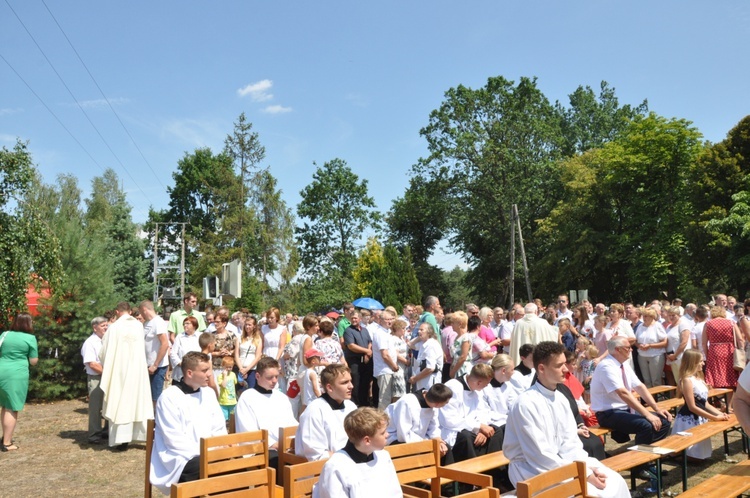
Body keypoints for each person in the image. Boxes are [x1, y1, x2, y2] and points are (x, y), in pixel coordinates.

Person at [503, 341, 629, 497]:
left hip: (561, 463)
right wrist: (585, 475)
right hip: (531, 470)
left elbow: (570, 443)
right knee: (588, 493)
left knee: (615, 481)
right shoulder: (526, 404)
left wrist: (588, 467)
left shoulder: (561, 398)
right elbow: (539, 455)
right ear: (541, 368)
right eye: (559, 365)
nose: (566, 369)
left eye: (565, 363)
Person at [150, 352, 226, 494]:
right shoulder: (169, 397)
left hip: (210, 453)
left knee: (236, 466)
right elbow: (173, 438)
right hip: (179, 458)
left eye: (209, 369)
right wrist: (205, 453)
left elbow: (219, 427)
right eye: (204, 370)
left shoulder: (209, 394)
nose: (210, 374)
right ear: (190, 373)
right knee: (202, 467)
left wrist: (218, 448)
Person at [590, 336, 672, 445]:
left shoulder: (623, 364)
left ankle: (651, 452)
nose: (631, 350)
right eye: (628, 348)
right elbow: (623, 393)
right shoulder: (606, 366)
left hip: (624, 409)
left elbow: (639, 386)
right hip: (608, 413)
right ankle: (641, 458)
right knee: (645, 425)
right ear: (618, 349)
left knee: (664, 420)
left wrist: (657, 409)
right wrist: (647, 414)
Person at [99, 301, 154, 451]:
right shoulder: (138, 326)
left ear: (117, 312)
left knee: (120, 401)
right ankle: (141, 436)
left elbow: (104, 351)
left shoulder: (114, 327)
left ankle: (122, 440)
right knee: (137, 402)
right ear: (130, 311)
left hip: (120, 371)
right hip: (137, 371)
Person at [313, 407, 401, 498]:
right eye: (383, 433)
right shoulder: (336, 467)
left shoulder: (383, 456)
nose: (388, 435)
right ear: (367, 440)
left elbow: (395, 493)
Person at [234, 357, 298, 470]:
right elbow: (249, 431)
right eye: (269, 377)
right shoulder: (247, 397)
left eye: (276, 377)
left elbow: (291, 423)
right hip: (264, 449)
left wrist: (293, 441)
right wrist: (274, 444)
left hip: (286, 446)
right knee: (279, 462)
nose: (274, 381)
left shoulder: (281, 397)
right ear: (257, 376)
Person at [439, 363, 504, 463]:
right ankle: (473, 473)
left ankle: (495, 470)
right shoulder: (452, 387)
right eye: (486, 384)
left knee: (496, 431)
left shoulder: (478, 389)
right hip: (455, 430)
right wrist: (478, 426)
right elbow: (449, 419)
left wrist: (482, 430)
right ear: (478, 382)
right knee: (466, 437)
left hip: (474, 428)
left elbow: (483, 411)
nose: (486, 387)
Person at [671, 350, 730, 460]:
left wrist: (721, 414)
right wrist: (714, 417)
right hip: (689, 420)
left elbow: (705, 403)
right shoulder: (687, 380)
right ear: (693, 362)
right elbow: (692, 407)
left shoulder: (699, 379)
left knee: (701, 457)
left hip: (700, 417)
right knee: (693, 457)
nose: (703, 363)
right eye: (700, 361)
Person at [296, 364, 357, 461]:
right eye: (345, 382)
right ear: (330, 387)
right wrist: (350, 458)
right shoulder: (314, 410)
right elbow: (316, 454)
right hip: (323, 469)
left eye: (350, 381)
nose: (351, 386)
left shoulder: (351, 406)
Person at [0, 313, 39, 452]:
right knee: (12, 407)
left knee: (4, 405)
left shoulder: (5, 334)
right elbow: (34, 362)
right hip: (16, 374)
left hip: (1, 369)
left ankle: (4, 436)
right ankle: (7, 442)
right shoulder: (30, 338)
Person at [385, 383, 452, 448]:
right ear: (437, 404)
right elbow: (403, 433)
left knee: (445, 448)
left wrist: (438, 440)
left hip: (420, 439)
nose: (446, 404)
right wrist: (426, 443)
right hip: (396, 438)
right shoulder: (407, 402)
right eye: (446, 403)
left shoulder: (433, 404)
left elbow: (433, 427)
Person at [703, 305, 744, 409]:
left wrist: (707, 356)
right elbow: (740, 339)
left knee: (714, 379)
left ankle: (719, 403)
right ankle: (729, 406)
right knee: (730, 379)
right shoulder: (731, 322)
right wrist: (741, 351)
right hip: (729, 352)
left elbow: (704, 343)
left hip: (714, 351)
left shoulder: (708, 324)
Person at [81, 316, 108, 444]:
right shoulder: (90, 342)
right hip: (96, 378)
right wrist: (108, 372)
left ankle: (107, 431)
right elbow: (92, 363)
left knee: (109, 405)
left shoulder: (107, 340)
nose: (106, 328)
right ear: (95, 327)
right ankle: (94, 435)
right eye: (103, 326)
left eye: (106, 325)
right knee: (95, 408)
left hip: (107, 377)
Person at [140, 300, 170, 404]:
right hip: (148, 366)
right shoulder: (147, 323)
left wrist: (155, 364)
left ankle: (156, 419)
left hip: (157, 367)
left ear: (145, 310)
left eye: (141, 312)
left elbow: (165, 344)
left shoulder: (158, 322)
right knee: (147, 397)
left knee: (156, 398)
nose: (141, 315)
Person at [343, 311, 373, 407]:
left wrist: (368, 352)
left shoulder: (365, 330)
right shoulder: (348, 331)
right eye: (352, 318)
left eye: (355, 318)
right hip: (354, 361)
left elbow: (369, 342)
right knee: (356, 383)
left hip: (366, 360)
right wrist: (366, 351)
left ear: (360, 319)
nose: (354, 320)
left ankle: (365, 403)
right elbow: (351, 346)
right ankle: (355, 404)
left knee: (366, 383)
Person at [635, 308, 668, 388]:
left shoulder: (657, 326)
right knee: (647, 381)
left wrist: (650, 345)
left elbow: (664, 342)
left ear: (652, 316)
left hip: (655, 355)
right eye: (643, 316)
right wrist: (639, 346)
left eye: (646, 316)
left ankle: (659, 399)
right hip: (642, 356)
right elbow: (635, 340)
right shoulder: (640, 326)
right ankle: (650, 399)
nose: (644, 318)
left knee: (656, 381)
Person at [408, 322, 443, 392]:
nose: (418, 331)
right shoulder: (423, 344)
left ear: (428, 332)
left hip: (430, 381)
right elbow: (410, 344)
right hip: (423, 381)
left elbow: (430, 368)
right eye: (419, 330)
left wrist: (415, 378)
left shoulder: (431, 345)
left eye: (421, 330)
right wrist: (419, 337)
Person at [169, 316, 201, 382]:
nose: (185, 325)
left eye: (187, 323)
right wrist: (180, 363)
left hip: (196, 371)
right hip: (181, 372)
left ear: (194, 325)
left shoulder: (200, 336)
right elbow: (173, 353)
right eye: (184, 324)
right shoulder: (179, 337)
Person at [235, 316, 263, 390]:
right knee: (240, 391)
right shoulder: (240, 338)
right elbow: (237, 354)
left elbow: (258, 356)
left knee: (251, 390)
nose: (247, 327)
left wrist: (247, 369)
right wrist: (241, 368)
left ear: (254, 326)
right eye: (246, 324)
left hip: (252, 369)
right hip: (241, 369)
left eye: (249, 325)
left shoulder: (258, 339)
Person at [300, 348, 325, 415]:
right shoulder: (312, 373)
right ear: (313, 361)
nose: (320, 359)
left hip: (307, 400)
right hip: (312, 400)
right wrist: (322, 399)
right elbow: (315, 389)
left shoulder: (307, 371)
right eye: (318, 357)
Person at [217, 356, 238, 421]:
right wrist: (225, 376)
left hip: (232, 401)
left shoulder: (233, 374)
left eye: (230, 367)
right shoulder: (220, 376)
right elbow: (223, 385)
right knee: (224, 418)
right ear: (222, 366)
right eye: (226, 367)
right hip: (224, 402)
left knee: (233, 419)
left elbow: (234, 383)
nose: (228, 369)